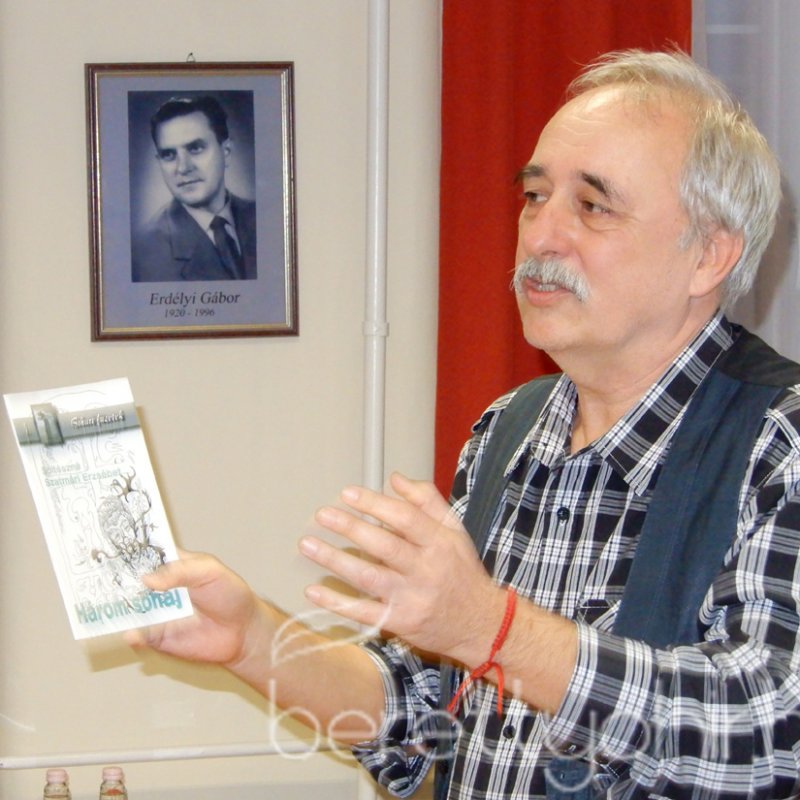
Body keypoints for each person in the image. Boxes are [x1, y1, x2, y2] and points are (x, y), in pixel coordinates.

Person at [128, 50, 800, 799]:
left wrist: (492, 629)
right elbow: (420, 713)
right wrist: (252, 640)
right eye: (535, 196)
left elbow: (773, 731)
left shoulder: (781, 442)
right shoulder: (508, 431)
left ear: (709, 254)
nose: (541, 236)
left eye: (592, 206)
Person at [131, 95, 257, 282]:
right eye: (169, 154)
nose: (183, 168)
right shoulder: (142, 254)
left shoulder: (264, 219)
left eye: (195, 148)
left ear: (226, 152)